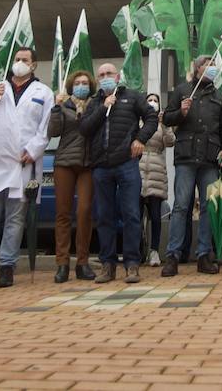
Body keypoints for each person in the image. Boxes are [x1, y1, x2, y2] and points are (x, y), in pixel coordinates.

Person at [0, 47, 53, 290]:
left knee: (15, 218)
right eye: (17, 59)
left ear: (34, 65)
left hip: (22, 161)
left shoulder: (43, 92)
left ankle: (7, 267)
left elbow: (45, 127)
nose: (20, 63)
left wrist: (33, 150)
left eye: (25, 60)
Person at [80, 62, 157, 283]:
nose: (105, 77)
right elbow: (85, 129)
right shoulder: (94, 102)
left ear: (117, 77)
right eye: (101, 74)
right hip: (101, 167)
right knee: (105, 217)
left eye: (109, 74)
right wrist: (104, 106)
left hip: (127, 164)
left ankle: (132, 264)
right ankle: (108, 265)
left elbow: (151, 118)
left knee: (132, 215)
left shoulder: (132, 97)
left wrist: (140, 139)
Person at [161, 56, 222, 276]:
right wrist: (180, 113)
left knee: (207, 208)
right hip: (186, 157)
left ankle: (204, 255)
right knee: (181, 207)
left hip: (210, 159)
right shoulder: (182, 90)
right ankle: (172, 256)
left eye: (214, 65)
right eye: (208, 64)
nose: (211, 68)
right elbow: (166, 118)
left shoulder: (219, 97)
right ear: (197, 68)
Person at [49, 69, 96, 283]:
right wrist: (56, 107)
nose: (81, 85)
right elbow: (54, 131)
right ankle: (62, 263)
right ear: (71, 85)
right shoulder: (64, 105)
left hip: (87, 164)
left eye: (85, 82)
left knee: (84, 211)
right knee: (63, 213)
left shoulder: (96, 105)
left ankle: (82, 262)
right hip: (65, 163)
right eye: (77, 82)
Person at [139, 92, 175, 265]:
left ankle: (154, 250)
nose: (152, 103)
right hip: (138, 170)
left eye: (155, 101)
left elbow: (170, 142)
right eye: (150, 100)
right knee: (136, 214)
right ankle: (138, 250)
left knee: (155, 214)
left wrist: (165, 124)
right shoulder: (139, 121)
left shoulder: (161, 124)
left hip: (156, 172)